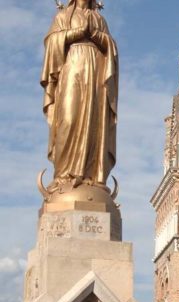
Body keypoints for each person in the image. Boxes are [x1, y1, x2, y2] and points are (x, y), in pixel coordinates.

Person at [41, 0, 118, 193]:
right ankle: (63, 175)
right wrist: (75, 34)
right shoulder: (62, 17)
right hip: (71, 67)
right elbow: (51, 42)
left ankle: (92, 175)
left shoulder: (99, 19)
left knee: (94, 122)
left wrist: (95, 35)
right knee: (68, 119)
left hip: (96, 73)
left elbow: (111, 48)